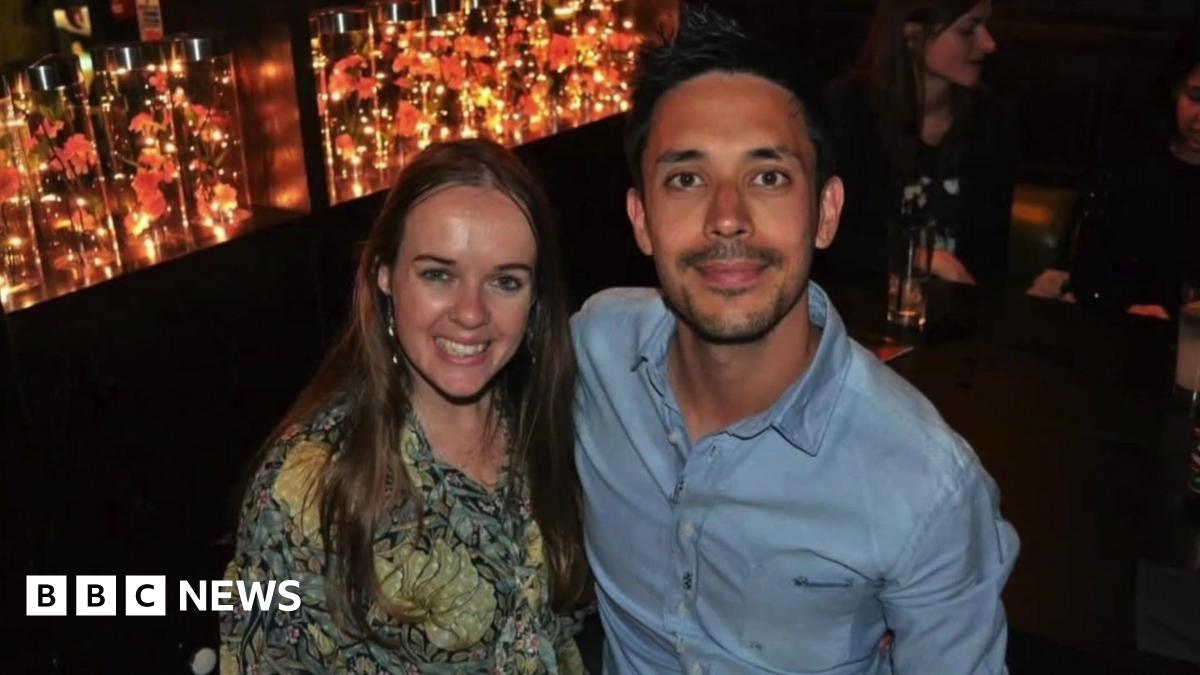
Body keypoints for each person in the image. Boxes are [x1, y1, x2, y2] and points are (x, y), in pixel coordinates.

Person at [571, 6, 1019, 673]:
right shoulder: (595, 350)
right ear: (641, 219)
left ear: (827, 212)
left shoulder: (923, 484)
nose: (728, 218)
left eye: (769, 177)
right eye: (687, 179)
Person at [219, 140, 591, 674]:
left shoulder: (557, 426)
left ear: (535, 300)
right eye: (438, 274)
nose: (470, 313)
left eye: (505, 281)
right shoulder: (310, 484)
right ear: (385, 275)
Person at [821, 0, 1017, 288]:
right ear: (912, 34)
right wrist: (916, 258)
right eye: (968, 30)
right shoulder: (850, 107)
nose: (988, 44)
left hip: (958, 314)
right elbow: (828, 240)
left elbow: (991, 255)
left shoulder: (992, 119)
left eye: (986, 26)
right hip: (859, 308)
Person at [1068, 31, 1200, 318]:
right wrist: (1126, 308)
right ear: (1176, 90)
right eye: (1196, 98)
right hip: (1127, 334)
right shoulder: (1129, 163)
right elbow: (1089, 270)